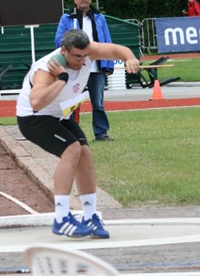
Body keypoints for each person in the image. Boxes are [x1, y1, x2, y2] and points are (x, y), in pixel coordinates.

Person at [16, 29, 139, 238]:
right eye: (76, 56)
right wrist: (62, 79)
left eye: (85, 56)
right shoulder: (47, 68)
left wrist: (130, 58)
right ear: (63, 51)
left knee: (85, 154)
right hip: (34, 118)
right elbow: (36, 102)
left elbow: (118, 50)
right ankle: (61, 218)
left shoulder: (88, 52)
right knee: (72, 150)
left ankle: (90, 215)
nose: (82, 61)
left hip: (61, 114)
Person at [55, 0, 114, 142]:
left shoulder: (100, 18)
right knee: (72, 103)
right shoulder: (67, 18)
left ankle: (101, 133)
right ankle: (72, 134)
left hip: (96, 68)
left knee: (98, 103)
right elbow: (57, 41)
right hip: (74, 68)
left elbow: (107, 41)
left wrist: (108, 65)